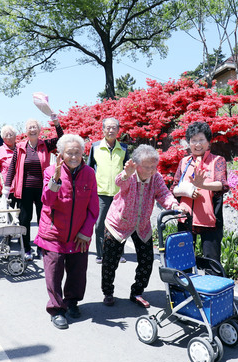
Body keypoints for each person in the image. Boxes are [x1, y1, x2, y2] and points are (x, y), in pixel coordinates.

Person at [101, 144, 184, 308]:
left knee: (147, 260)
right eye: (147, 167)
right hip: (118, 224)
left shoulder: (156, 177)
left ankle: (137, 292)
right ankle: (108, 292)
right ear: (137, 165)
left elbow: (163, 194)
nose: (151, 170)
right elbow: (119, 182)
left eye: (154, 166)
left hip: (141, 225)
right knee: (111, 261)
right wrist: (126, 174)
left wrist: (174, 206)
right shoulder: (130, 175)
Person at [34, 134, 98, 330]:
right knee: (54, 273)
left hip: (79, 234)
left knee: (78, 272)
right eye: (69, 153)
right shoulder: (50, 171)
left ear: (82, 154)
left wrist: (86, 232)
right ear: (60, 154)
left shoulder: (89, 173)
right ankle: (57, 309)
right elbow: (47, 200)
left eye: (77, 153)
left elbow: (93, 206)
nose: (73, 156)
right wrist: (56, 177)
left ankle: (72, 302)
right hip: (54, 233)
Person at [4, 116, 64, 261]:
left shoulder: (46, 145)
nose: (32, 129)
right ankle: (26, 249)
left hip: (42, 189)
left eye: (34, 127)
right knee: (25, 219)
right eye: (30, 127)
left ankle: (41, 247)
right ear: (26, 131)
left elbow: (62, 138)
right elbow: (12, 167)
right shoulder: (20, 147)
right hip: (24, 189)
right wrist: (6, 188)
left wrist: (56, 123)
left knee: (43, 219)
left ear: (39, 130)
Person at [171, 121, 229, 263]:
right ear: (189, 143)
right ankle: (183, 286)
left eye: (201, 140)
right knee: (183, 261)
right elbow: (173, 188)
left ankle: (212, 284)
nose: (197, 144)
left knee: (212, 262)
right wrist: (187, 191)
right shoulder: (184, 161)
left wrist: (202, 185)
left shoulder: (218, 161)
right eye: (194, 140)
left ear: (208, 142)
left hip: (210, 221)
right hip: (185, 219)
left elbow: (222, 185)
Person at [87, 117, 129, 264]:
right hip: (101, 193)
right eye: (108, 127)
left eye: (114, 128)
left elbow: (128, 170)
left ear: (118, 130)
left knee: (120, 224)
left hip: (119, 193)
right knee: (99, 225)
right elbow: (89, 169)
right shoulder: (95, 147)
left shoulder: (123, 148)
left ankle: (119, 253)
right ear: (103, 129)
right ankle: (101, 253)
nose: (111, 130)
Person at [0, 125, 18, 207]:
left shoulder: (20, 148)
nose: (9, 137)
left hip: (20, 187)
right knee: (7, 213)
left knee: (22, 214)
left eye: (11, 135)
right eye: (6, 135)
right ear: (2, 138)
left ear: (15, 136)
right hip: (6, 186)